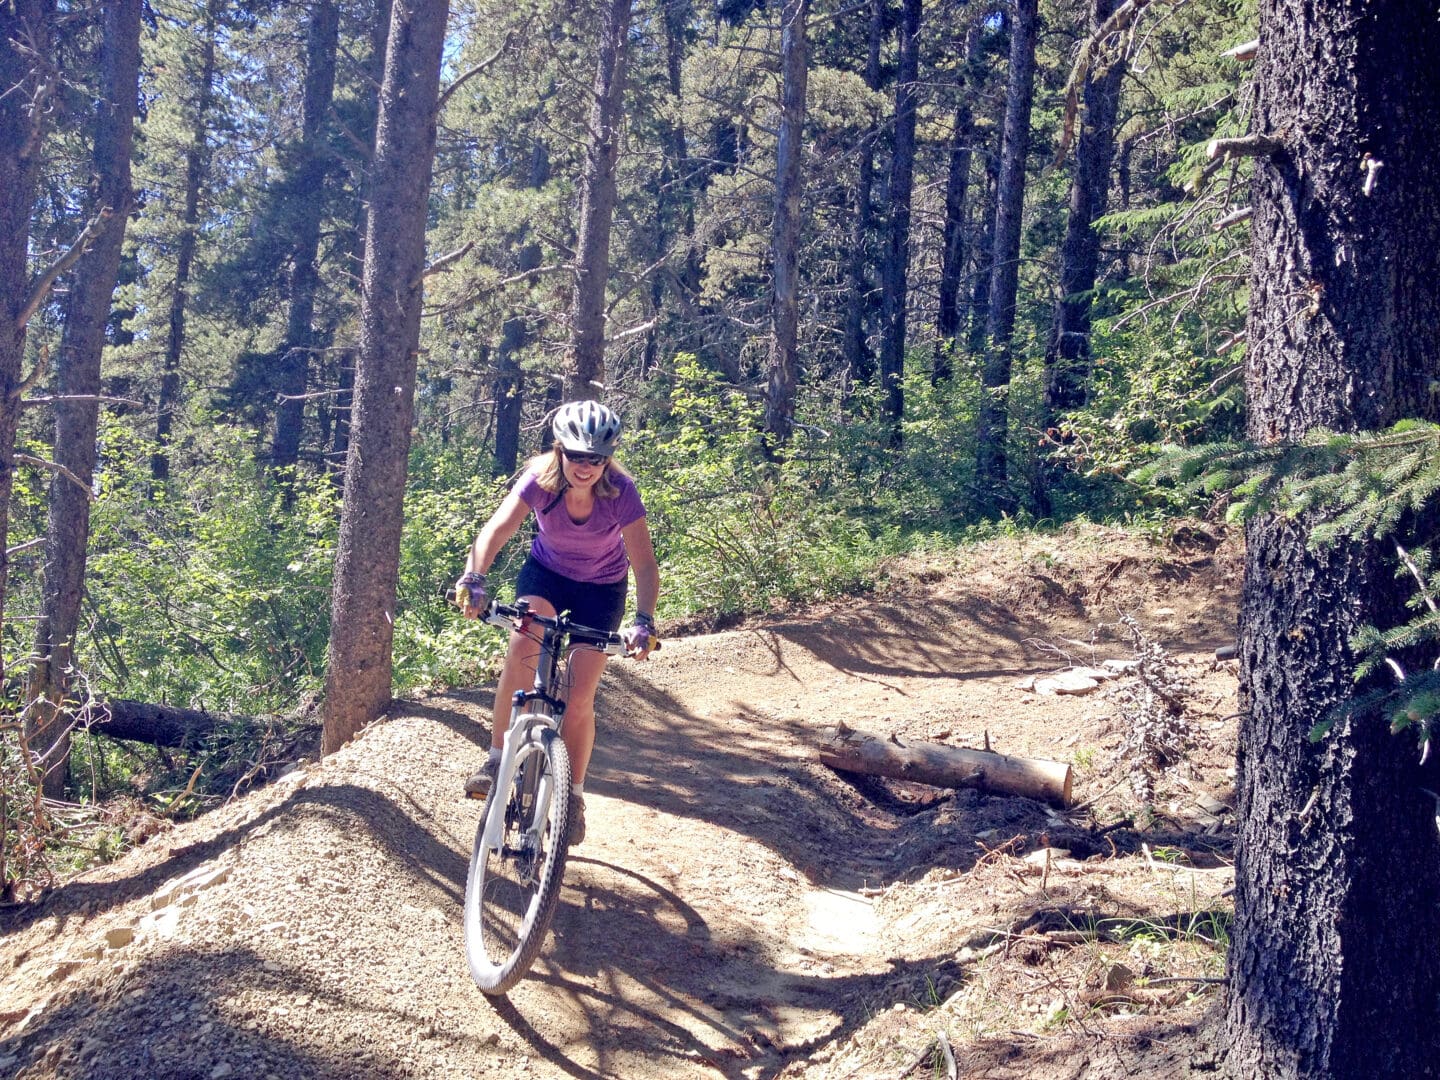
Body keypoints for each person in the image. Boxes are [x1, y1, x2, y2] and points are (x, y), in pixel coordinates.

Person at [453, 400, 659, 846]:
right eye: (576, 455)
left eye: (596, 458)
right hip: (546, 575)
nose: (585, 467)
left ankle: (574, 797)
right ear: (559, 449)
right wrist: (474, 577)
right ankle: (496, 760)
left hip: (602, 588)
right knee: (522, 648)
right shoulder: (539, 479)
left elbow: (644, 564)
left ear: (608, 459)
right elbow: (495, 530)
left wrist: (644, 620)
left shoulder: (621, 491)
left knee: (579, 695)